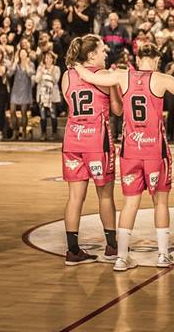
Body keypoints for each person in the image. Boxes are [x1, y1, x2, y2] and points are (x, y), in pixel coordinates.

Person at [74, 44, 174, 272]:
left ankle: (121, 257)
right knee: (160, 202)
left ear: (137, 57)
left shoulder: (122, 75)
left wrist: (74, 62)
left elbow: (86, 74)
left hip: (130, 151)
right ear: (155, 58)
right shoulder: (161, 78)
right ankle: (163, 255)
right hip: (155, 151)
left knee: (130, 204)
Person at [60, 35, 120, 266]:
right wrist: (113, 88)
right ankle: (112, 247)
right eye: (102, 50)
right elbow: (116, 110)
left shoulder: (67, 75)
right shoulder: (105, 76)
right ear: (92, 55)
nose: (106, 54)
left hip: (73, 139)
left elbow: (70, 103)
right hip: (97, 141)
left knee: (75, 197)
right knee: (105, 195)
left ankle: (73, 251)